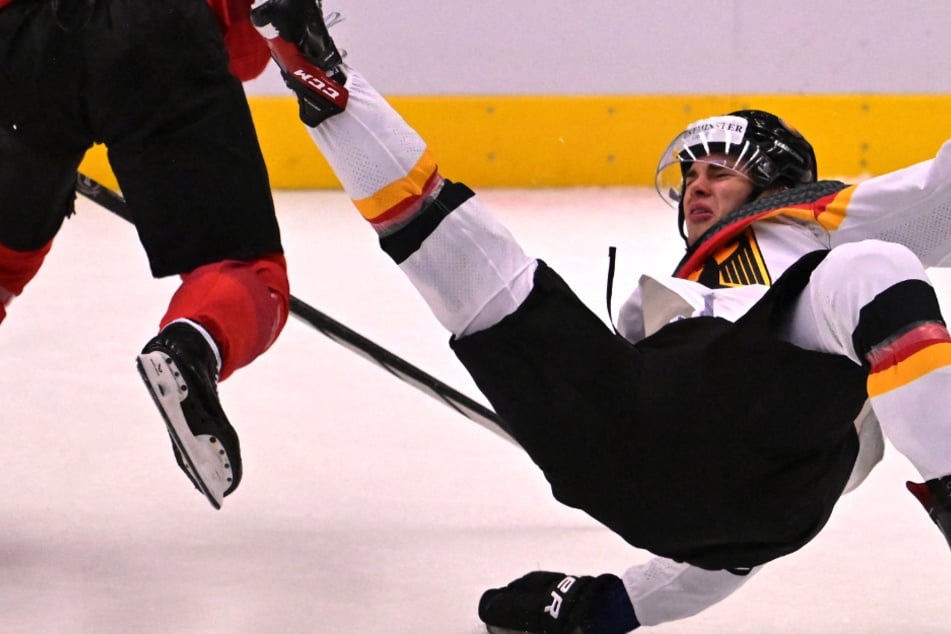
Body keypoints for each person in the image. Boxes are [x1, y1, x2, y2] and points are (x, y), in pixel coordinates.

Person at [251, 1, 951, 631]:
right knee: (489, 284)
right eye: (690, 175)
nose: (696, 186)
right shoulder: (654, 312)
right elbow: (726, 541)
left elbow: (937, 196)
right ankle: (334, 93)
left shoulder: (808, 221)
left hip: (782, 440)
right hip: (676, 467)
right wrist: (603, 608)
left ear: (774, 183)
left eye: (719, 172)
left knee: (872, 267)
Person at [0, 0, 290, 509]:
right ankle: (192, 346)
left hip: (16, 45)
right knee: (243, 268)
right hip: (155, 28)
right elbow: (247, 50)